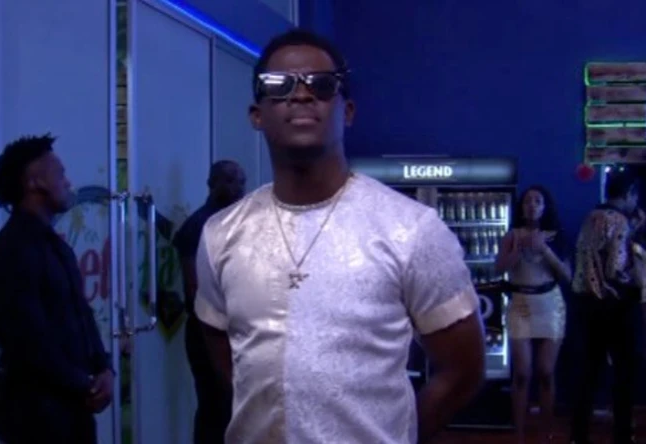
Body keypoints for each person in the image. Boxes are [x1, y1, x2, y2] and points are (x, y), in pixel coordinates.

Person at [193, 29, 486, 444]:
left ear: (346, 111)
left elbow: (464, 369)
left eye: (322, 84)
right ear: (256, 115)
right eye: (279, 85)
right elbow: (222, 348)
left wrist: (399, 435)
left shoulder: (411, 230)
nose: (301, 94)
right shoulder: (221, 234)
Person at [0, 134, 114, 444]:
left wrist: (104, 369)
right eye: (60, 174)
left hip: (70, 405)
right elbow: (29, 344)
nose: (68, 183)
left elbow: (81, 313)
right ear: (34, 182)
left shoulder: (55, 246)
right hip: (35, 412)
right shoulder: (12, 252)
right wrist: (85, 385)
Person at [172, 160, 246, 444]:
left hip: (233, 329)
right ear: (212, 183)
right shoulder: (199, 226)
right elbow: (194, 288)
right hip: (207, 332)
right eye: (230, 180)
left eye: (241, 181)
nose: (238, 188)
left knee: (232, 408)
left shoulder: (235, 224)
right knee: (215, 407)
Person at [570, 169, 642, 444]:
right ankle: (622, 435)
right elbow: (616, 269)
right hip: (616, 306)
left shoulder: (590, 218)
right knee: (624, 374)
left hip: (586, 305)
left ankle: (579, 435)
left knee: (587, 374)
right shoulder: (620, 221)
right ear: (629, 194)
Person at [495, 185, 571, 444]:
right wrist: (519, 248)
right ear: (521, 207)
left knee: (546, 371)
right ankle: (519, 435)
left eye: (537, 201)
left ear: (545, 206)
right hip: (520, 304)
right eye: (527, 201)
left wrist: (543, 249)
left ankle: (545, 433)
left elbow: (567, 275)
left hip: (550, 304)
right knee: (522, 373)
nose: (532, 206)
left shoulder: (557, 235)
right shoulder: (512, 235)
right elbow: (498, 268)